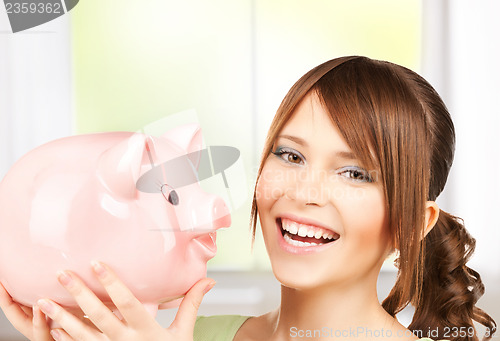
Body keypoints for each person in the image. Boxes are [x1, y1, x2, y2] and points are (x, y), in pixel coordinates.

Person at [0, 56, 496, 341]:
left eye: (355, 172)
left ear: (413, 223)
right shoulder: (189, 335)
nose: (303, 193)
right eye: (290, 155)